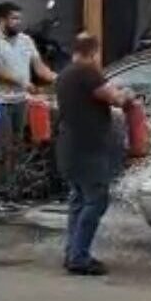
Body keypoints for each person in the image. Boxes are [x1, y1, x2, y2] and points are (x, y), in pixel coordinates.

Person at [55, 33, 137, 276]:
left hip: (69, 146)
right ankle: (79, 257)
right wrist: (128, 95)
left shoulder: (65, 74)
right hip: (88, 148)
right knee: (96, 200)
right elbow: (115, 99)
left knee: (78, 199)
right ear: (94, 52)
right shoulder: (87, 72)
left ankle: (72, 252)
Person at [0, 1, 56, 209]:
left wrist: (58, 78)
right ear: (1, 20)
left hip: (19, 99)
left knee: (17, 146)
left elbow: (39, 67)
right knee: (3, 147)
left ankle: (12, 192)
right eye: (13, 18)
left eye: (19, 18)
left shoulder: (25, 41)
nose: (17, 22)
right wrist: (23, 83)